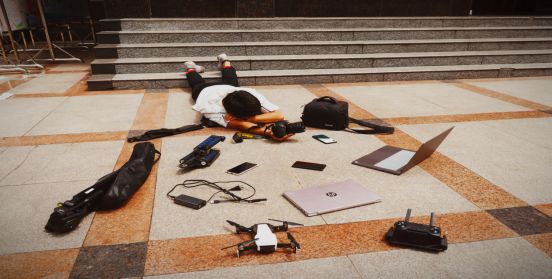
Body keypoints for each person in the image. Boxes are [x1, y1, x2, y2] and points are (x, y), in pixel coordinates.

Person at [185, 53, 293, 141]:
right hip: (204, 91)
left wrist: (248, 118)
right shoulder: (209, 109)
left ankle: (225, 62)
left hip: (228, 87)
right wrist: (267, 131)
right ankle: (192, 69)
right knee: (196, 84)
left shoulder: (249, 93)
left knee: (232, 82)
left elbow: (279, 115)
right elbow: (242, 125)